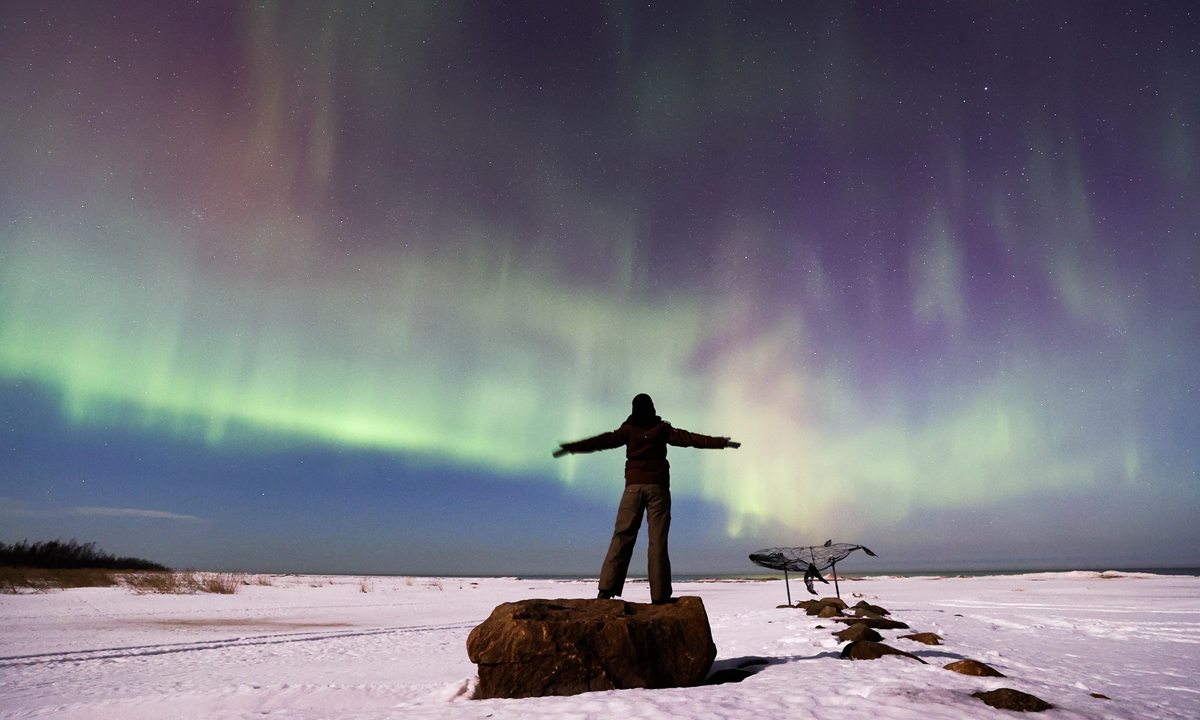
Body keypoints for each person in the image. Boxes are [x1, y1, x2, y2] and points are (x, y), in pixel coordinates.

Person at [553, 394, 739, 604]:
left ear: (633, 409)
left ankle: (606, 589)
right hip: (658, 489)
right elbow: (691, 439)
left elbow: (603, 441)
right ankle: (659, 596)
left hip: (632, 488)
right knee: (658, 541)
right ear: (652, 408)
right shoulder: (662, 429)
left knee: (622, 536)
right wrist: (721, 442)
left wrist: (573, 447)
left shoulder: (628, 429)